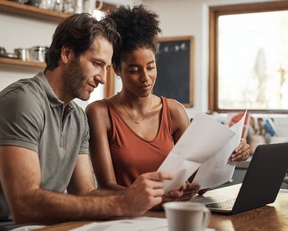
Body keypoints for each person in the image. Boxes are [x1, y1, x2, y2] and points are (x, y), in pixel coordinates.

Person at [0, 13, 175, 231]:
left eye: (107, 68)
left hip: (46, 226)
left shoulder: (77, 116)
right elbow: (24, 204)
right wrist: (122, 203)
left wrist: (151, 197)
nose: (102, 77)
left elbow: (86, 192)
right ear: (67, 53)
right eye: (96, 64)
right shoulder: (22, 102)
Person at [86, 5, 251, 203]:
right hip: (126, 217)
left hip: (171, 215)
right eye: (134, 70)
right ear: (117, 69)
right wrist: (158, 199)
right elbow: (106, 187)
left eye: (151, 67)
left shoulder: (174, 111)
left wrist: (229, 154)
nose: (145, 78)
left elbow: (197, 182)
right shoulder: (100, 112)